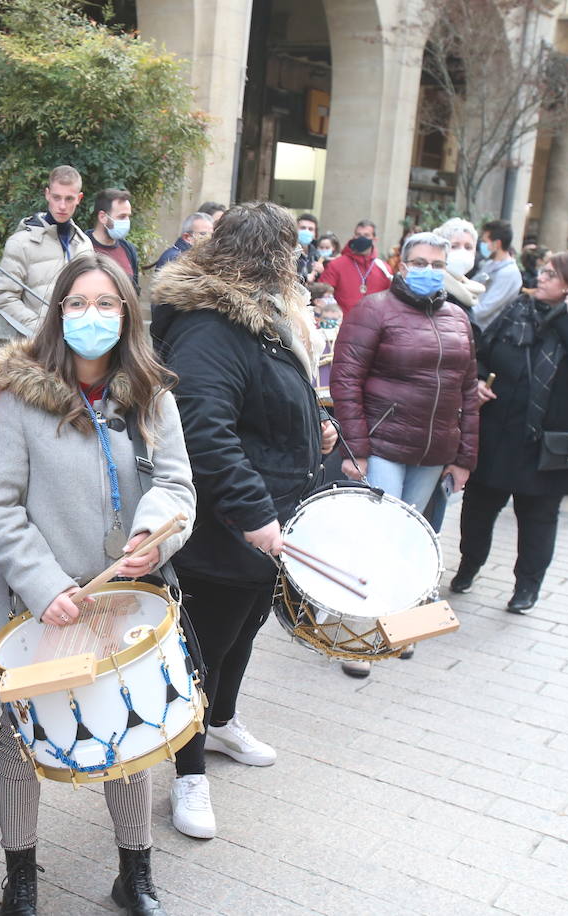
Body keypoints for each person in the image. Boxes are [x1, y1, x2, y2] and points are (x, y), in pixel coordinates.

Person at [0, 253, 195, 916]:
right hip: (38, 606)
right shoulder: (22, 396)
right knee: (22, 744)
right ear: (57, 312)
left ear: (127, 313)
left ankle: (134, 871)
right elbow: (3, 504)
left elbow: (176, 485)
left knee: (129, 737)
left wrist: (152, 535)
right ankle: (21, 873)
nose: (91, 316)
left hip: (122, 601)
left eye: (106, 304)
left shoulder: (151, 393)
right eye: (77, 304)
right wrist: (45, 586)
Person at [151, 202, 337, 840]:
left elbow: (269, 399)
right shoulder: (212, 326)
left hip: (267, 522)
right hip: (225, 527)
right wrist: (254, 513)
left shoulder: (258, 315)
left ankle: (223, 723)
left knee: (245, 633)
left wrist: (316, 428)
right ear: (276, 261)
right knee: (203, 647)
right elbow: (205, 431)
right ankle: (187, 771)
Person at [330, 232, 479, 676]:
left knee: (412, 536)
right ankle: (358, 629)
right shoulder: (373, 309)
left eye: (436, 263)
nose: (428, 270)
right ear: (401, 263)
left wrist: (465, 457)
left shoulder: (457, 317)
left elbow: (467, 392)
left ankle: (398, 623)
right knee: (380, 534)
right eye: (419, 261)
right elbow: (346, 380)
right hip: (384, 444)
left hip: (434, 449)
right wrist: (355, 447)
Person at [449, 252, 568, 614]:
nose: (541, 277)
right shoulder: (518, 309)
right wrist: (477, 380)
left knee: (538, 519)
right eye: (543, 270)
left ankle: (527, 587)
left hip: (550, 442)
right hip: (500, 431)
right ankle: (469, 564)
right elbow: (482, 352)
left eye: (551, 274)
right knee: (478, 509)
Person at [0, 165, 91, 352]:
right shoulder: (20, 243)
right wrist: (42, 330)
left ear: (79, 198)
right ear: (47, 194)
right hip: (35, 349)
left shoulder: (85, 245)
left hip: (78, 347)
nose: (62, 205)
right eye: (56, 197)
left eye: (69, 199)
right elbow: (4, 298)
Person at [320, 219, 391, 314]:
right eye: (358, 235)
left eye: (366, 235)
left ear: (375, 239)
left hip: (373, 325)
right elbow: (322, 294)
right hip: (343, 324)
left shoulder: (384, 269)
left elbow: (390, 302)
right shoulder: (336, 265)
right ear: (353, 237)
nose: (361, 238)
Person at [89, 188, 140, 289]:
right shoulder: (82, 246)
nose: (127, 222)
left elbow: (134, 291)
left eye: (128, 216)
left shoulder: (129, 250)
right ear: (103, 217)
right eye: (122, 217)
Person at [433, 217, 486, 310]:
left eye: (468, 247)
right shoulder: (434, 292)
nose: (462, 252)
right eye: (454, 246)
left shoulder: (470, 290)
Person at [295, 213, 321, 285]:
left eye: (311, 229)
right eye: (303, 228)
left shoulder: (317, 255)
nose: (306, 231)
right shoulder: (288, 252)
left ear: (315, 234)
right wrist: (305, 278)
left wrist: (321, 272)